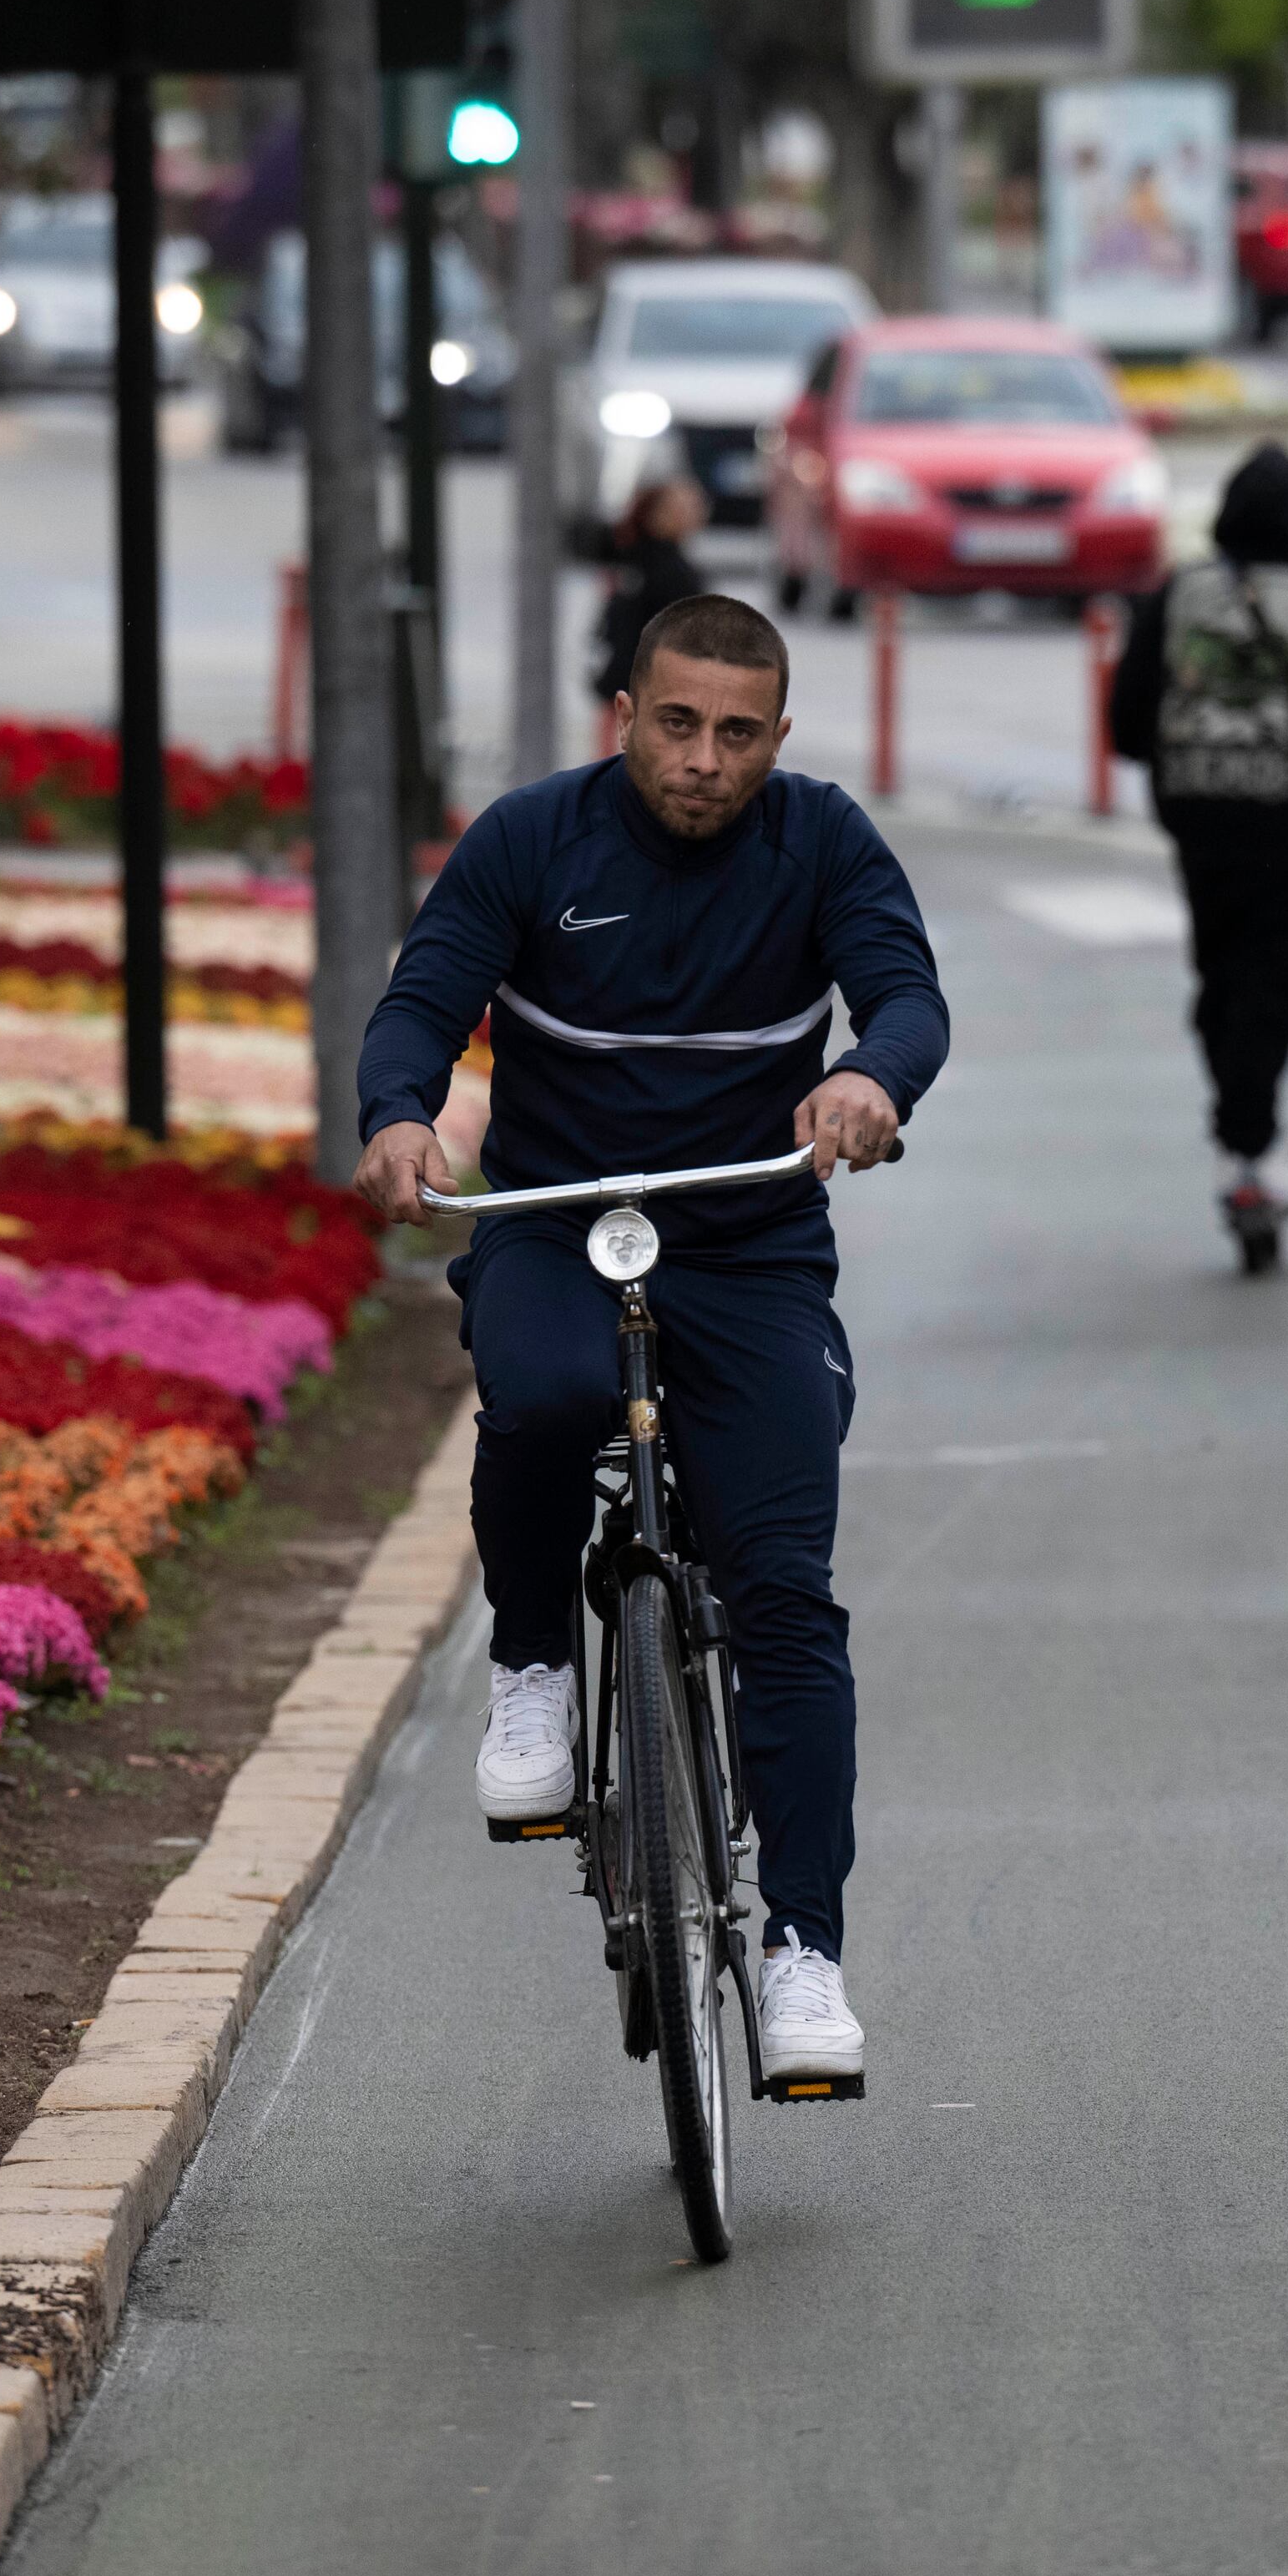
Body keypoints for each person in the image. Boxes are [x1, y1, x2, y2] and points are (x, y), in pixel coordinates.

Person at [356, 592, 949, 2089]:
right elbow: (424, 997)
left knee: (785, 1596)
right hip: (561, 1218)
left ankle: (804, 1950)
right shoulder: (531, 840)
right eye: (676, 723)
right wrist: (402, 1114)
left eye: (738, 733)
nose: (703, 758)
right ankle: (539, 1665)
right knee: (546, 1395)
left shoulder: (823, 841)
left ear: (778, 739)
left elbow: (907, 995)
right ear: (624, 713)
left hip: (746, 1241)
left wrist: (872, 1078)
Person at [1107, 441, 1288, 1256]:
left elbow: (1125, 722)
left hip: (1198, 818)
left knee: (1220, 971)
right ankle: (1249, 1142)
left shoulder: (1175, 595)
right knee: (1277, 978)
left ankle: (1240, 1136)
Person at [589, 475, 713, 710]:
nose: (697, 510)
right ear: (658, 516)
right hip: (642, 687)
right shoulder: (663, 569)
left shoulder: (641, 560)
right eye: (686, 506)